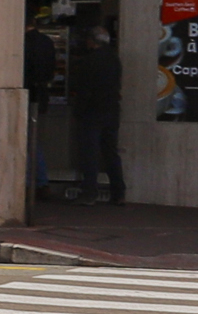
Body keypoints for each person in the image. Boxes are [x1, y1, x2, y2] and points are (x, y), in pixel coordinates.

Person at [69, 25, 124, 203]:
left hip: (92, 112)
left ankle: (89, 192)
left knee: (90, 153)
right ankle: (118, 192)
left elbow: (83, 89)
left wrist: (78, 111)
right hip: (111, 110)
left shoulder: (88, 61)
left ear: (91, 41)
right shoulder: (114, 60)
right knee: (110, 152)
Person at [22, 24, 57, 195]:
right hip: (41, 95)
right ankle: (40, 181)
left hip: (28, 95)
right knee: (33, 140)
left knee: (28, 141)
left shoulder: (24, 43)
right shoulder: (46, 41)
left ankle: (34, 181)